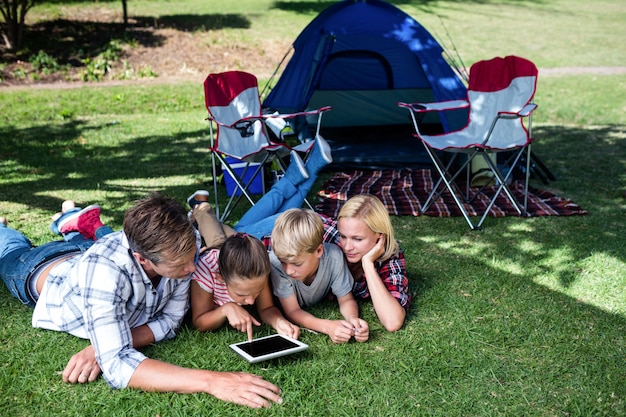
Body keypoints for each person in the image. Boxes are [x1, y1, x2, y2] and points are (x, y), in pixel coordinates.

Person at [0, 194, 283, 409]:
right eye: (180, 266)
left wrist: (108, 343)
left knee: (83, 240)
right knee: (11, 248)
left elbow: (170, 322)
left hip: (88, 252)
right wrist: (211, 380)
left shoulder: (184, 245)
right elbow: (118, 364)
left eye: (191, 258)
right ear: (143, 259)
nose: (192, 270)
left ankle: (73, 222)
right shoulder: (105, 275)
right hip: (39, 269)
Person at [188, 136, 410, 332]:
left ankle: (299, 173)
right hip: (274, 235)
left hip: (297, 228)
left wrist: (368, 264)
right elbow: (274, 245)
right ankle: (296, 175)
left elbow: (392, 321)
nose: (347, 246)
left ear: (379, 237)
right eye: (344, 237)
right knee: (238, 233)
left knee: (235, 230)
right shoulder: (322, 237)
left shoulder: (386, 257)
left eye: (358, 239)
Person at [269, 208, 369, 344]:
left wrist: (352, 320)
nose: (288, 270)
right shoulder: (276, 263)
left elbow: (346, 299)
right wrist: (327, 327)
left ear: (319, 250)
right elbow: (292, 310)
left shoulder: (334, 257)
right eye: (283, 262)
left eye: (297, 264)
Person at [190, 233, 300, 341]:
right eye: (241, 294)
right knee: (216, 236)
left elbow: (266, 308)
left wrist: (279, 321)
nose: (251, 302)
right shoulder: (205, 270)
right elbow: (199, 321)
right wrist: (226, 309)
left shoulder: (258, 267)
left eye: (258, 291)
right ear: (221, 277)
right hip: (215, 256)